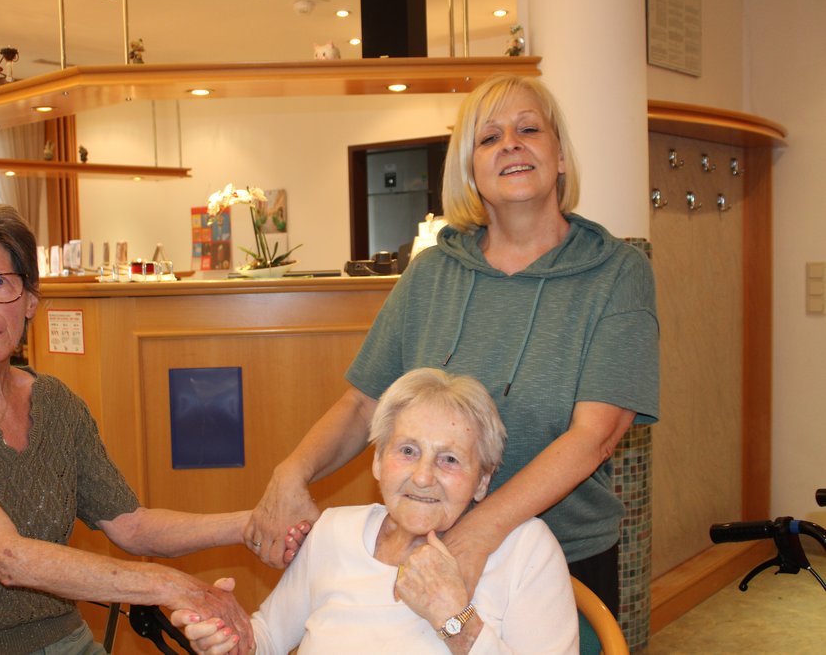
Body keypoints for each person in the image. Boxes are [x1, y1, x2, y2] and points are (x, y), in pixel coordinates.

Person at [246, 74, 659, 614]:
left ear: (559, 155)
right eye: (488, 138)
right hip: (426, 550)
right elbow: (363, 403)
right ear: (470, 171)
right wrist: (290, 473)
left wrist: (475, 535)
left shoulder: (617, 273)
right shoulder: (431, 273)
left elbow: (594, 437)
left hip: (561, 561)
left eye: (528, 129)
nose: (510, 144)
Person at [0, 201, 282, 654]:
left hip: (65, 640)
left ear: (30, 300)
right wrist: (174, 587)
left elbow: (131, 525)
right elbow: (8, 557)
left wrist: (253, 524)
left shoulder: (56, 404)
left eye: (0, 282)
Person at [174, 368, 579, 654]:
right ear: (378, 462)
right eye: (408, 451)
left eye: (450, 459)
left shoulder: (526, 550)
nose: (423, 477)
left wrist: (456, 619)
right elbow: (266, 640)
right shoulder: (334, 532)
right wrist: (232, 638)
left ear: (483, 481)